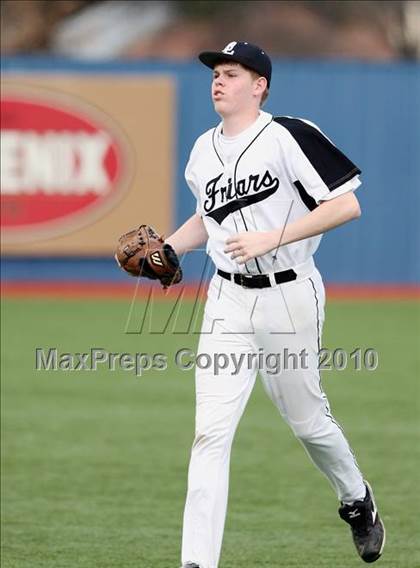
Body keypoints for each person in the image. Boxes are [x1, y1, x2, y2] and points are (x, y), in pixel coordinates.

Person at [166, 41, 385, 568]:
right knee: (210, 434)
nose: (219, 81)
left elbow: (347, 204)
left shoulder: (289, 134)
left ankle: (356, 499)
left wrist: (273, 237)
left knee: (308, 423)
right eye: (215, 73)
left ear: (259, 85)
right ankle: (197, 563)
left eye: (231, 73)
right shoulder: (202, 151)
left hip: (289, 296)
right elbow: (209, 220)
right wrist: (171, 246)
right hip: (227, 299)